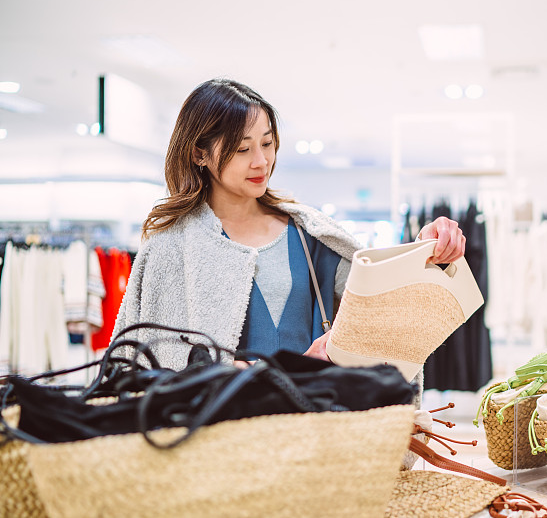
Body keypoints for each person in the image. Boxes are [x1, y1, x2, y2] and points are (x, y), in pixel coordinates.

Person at [112, 78, 466, 371]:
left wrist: (427, 249)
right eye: (241, 149)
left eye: (267, 143)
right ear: (198, 153)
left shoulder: (308, 235)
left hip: (313, 428)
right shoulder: (171, 247)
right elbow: (143, 364)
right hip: (218, 437)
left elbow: (380, 299)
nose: (262, 161)